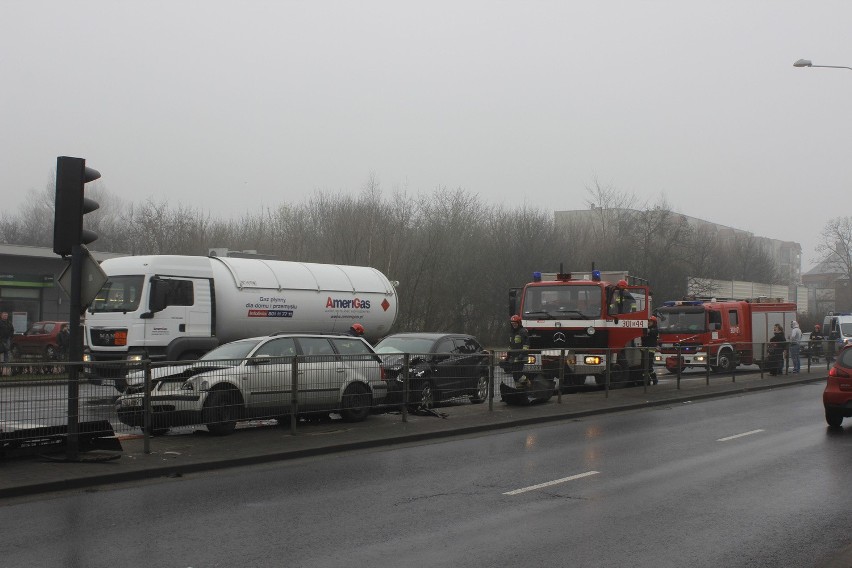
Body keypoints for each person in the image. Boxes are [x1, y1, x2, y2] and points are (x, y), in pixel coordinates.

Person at [508, 315, 530, 387]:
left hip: (520, 357)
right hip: (513, 357)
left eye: (515, 323)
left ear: (519, 323)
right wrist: (508, 354)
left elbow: (526, 345)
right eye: (512, 323)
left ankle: (527, 382)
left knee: (518, 374)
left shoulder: (523, 331)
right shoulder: (512, 332)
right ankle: (518, 389)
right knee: (515, 374)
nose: (514, 325)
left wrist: (522, 354)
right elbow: (511, 344)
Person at [644, 316, 659, 384]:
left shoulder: (655, 329)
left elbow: (651, 332)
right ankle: (647, 381)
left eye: (651, 321)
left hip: (651, 350)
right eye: (648, 321)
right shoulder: (648, 329)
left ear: (654, 323)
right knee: (644, 366)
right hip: (644, 350)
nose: (649, 323)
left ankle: (654, 379)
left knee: (649, 366)